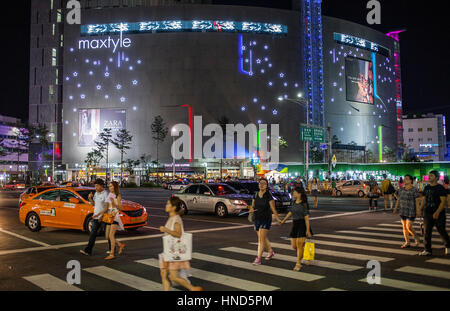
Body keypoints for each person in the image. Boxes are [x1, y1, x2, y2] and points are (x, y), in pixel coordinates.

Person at [159, 196, 202, 291]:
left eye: (168, 204)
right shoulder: (173, 218)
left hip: (173, 253)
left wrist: (165, 229)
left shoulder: (176, 219)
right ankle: (192, 288)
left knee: (172, 277)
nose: (166, 206)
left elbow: (178, 234)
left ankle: (192, 288)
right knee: (164, 275)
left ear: (173, 207)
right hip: (169, 251)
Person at [248, 178, 282, 265]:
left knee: (260, 239)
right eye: (260, 183)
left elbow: (273, 208)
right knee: (263, 238)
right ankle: (270, 252)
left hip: (266, 219)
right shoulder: (255, 195)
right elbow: (252, 206)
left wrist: (278, 219)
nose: (262, 185)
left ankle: (258, 258)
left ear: (267, 186)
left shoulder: (269, 196)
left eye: (264, 183)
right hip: (257, 218)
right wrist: (251, 209)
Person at [417, 171, 449, 256]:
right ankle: (427, 250)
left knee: (441, 230)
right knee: (427, 232)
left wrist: (437, 212)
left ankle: (448, 245)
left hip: (439, 212)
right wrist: (420, 209)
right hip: (427, 212)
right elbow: (424, 199)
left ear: (436, 178)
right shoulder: (427, 188)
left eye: (431, 176)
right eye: (429, 175)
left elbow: (443, 202)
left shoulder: (440, 188)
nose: (429, 177)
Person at [280, 187, 312, 271]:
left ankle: (298, 263)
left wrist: (308, 230)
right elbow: (290, 212)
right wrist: (283, 220)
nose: (293, 194)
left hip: (302, 224)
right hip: (295, 224)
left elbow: (307, 218)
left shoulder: (304, 204)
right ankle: (306, 254)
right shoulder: (294, 202)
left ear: (299, 193)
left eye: (294, 192)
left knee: (299, 244)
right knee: (294, 246)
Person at [80, 179, 108, 256]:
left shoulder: (105, 194)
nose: (95, 187)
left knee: (108, 235)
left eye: (96, 186)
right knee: (92, 234)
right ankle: (88, 250)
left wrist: (101, 216)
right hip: (96, 217)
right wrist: (90, 198)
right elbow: (93, 204)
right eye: (95, 186)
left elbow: (107, 207)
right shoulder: (96, 193)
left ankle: (112, 249)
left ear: (101, 186)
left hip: (103, 217)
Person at [393, 175, 420, 248]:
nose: (405, 180)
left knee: (409, 227)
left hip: (411, 210)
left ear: (411, 181)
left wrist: (418, 210)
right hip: (403, 210)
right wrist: (395, 208)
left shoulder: (414, 189)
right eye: (404, 179)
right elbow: (398, 199)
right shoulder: (401, 189)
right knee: (404, 227)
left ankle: (417, 238)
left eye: (407, 179)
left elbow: (417, 201)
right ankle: (407, 242)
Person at [104, 181, 126, 260]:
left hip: (115, 216)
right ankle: (120, 245)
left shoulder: (117, 196)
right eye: (109, 186)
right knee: (107, 236)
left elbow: (120, 208)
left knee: (111, 236)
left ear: (115, 187)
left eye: (111, 186)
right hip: (109, 216)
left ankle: (112, 253)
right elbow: (108, 207)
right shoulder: (110, 195)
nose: (110, 188)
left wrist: (114, 203)